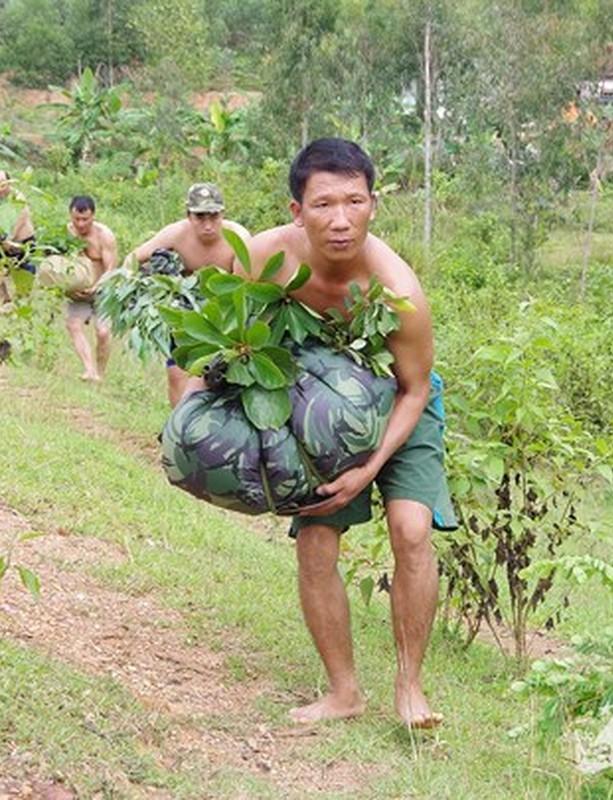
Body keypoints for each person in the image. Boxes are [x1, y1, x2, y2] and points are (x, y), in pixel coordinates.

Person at [242, 138, 457, 730]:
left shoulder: (398, 291)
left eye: (354, 202)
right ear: (295, 210)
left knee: (411, 530)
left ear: (373, 203)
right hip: (320, 405)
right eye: (323, 204)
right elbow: (224, 335)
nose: (340, 220)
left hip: (399, 400)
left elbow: (415, 389)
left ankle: (409, 686)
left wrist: (368, 468)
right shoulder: (264, 259)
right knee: (316, 543)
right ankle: (343, 692)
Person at [128, 182, 250, 405]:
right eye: (200, 217)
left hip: (226, 319)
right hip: (185, 314)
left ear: (222, 214)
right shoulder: (176, 234)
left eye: (213, 217)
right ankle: (177, 429)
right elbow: (133, 258)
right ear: (188, 216)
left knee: (219, 378)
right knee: (177, 374)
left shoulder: (238, 238)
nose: (207, 225)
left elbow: (250, 283)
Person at [61, 195, 116, 381]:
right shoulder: (67, 232)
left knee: (103, 332)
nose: (80, 224)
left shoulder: (104, 236)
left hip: (102, 290)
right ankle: (89, 370)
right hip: (77, 292)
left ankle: (99, 373)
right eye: (76, 219)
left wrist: (97, 286)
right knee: (73, 325)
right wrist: (67, 287)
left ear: (93, 216)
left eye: (85, 219)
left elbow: (110, 269)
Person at [0, 169, 36, 306]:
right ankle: (6, 302)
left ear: (9, 183)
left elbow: (22, 218)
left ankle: (20, 304)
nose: (0, 189)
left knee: (22, 275)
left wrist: (11, 238)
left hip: (22, 242)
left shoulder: (17, 197)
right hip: (3, 243)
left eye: (3, 185)